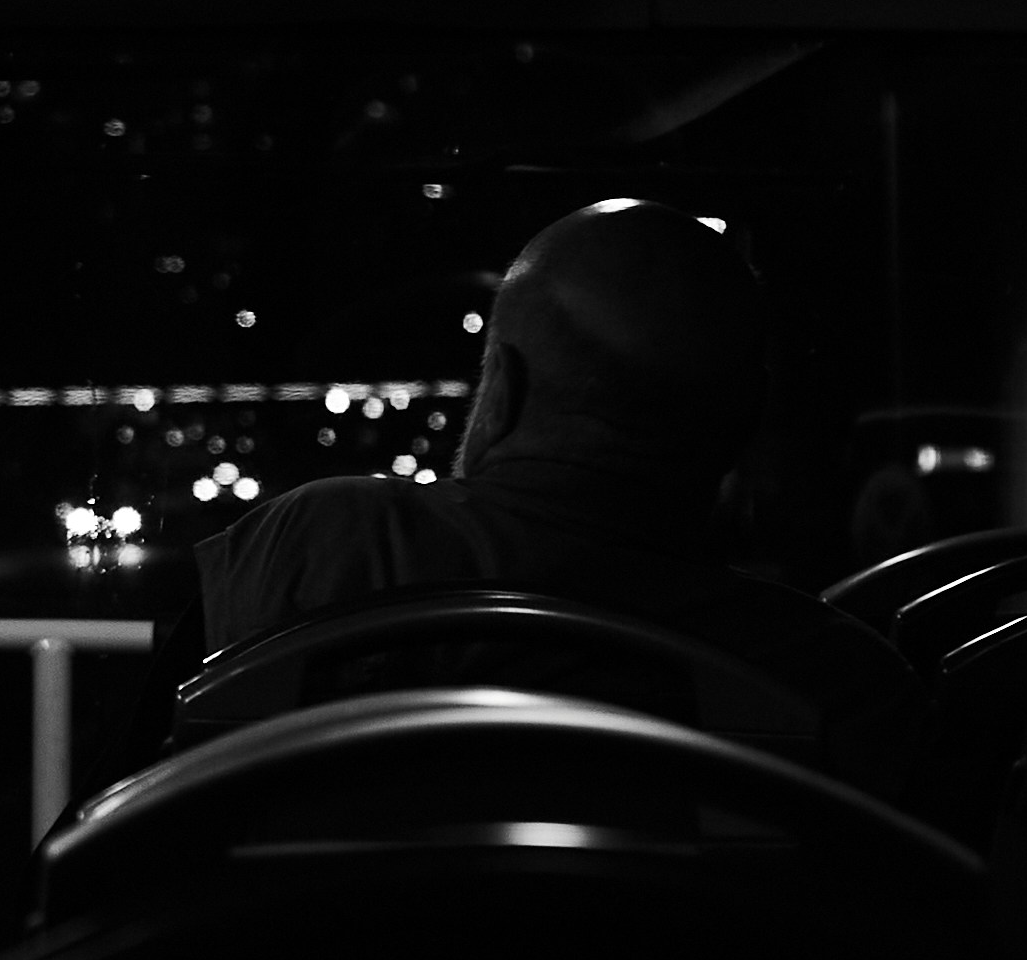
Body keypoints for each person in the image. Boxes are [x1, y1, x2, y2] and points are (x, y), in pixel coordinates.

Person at [192, 194, 913, 770]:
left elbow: (126, 812)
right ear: (743, 418)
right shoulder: (834, 679)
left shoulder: (310, 542)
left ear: (500, 386)